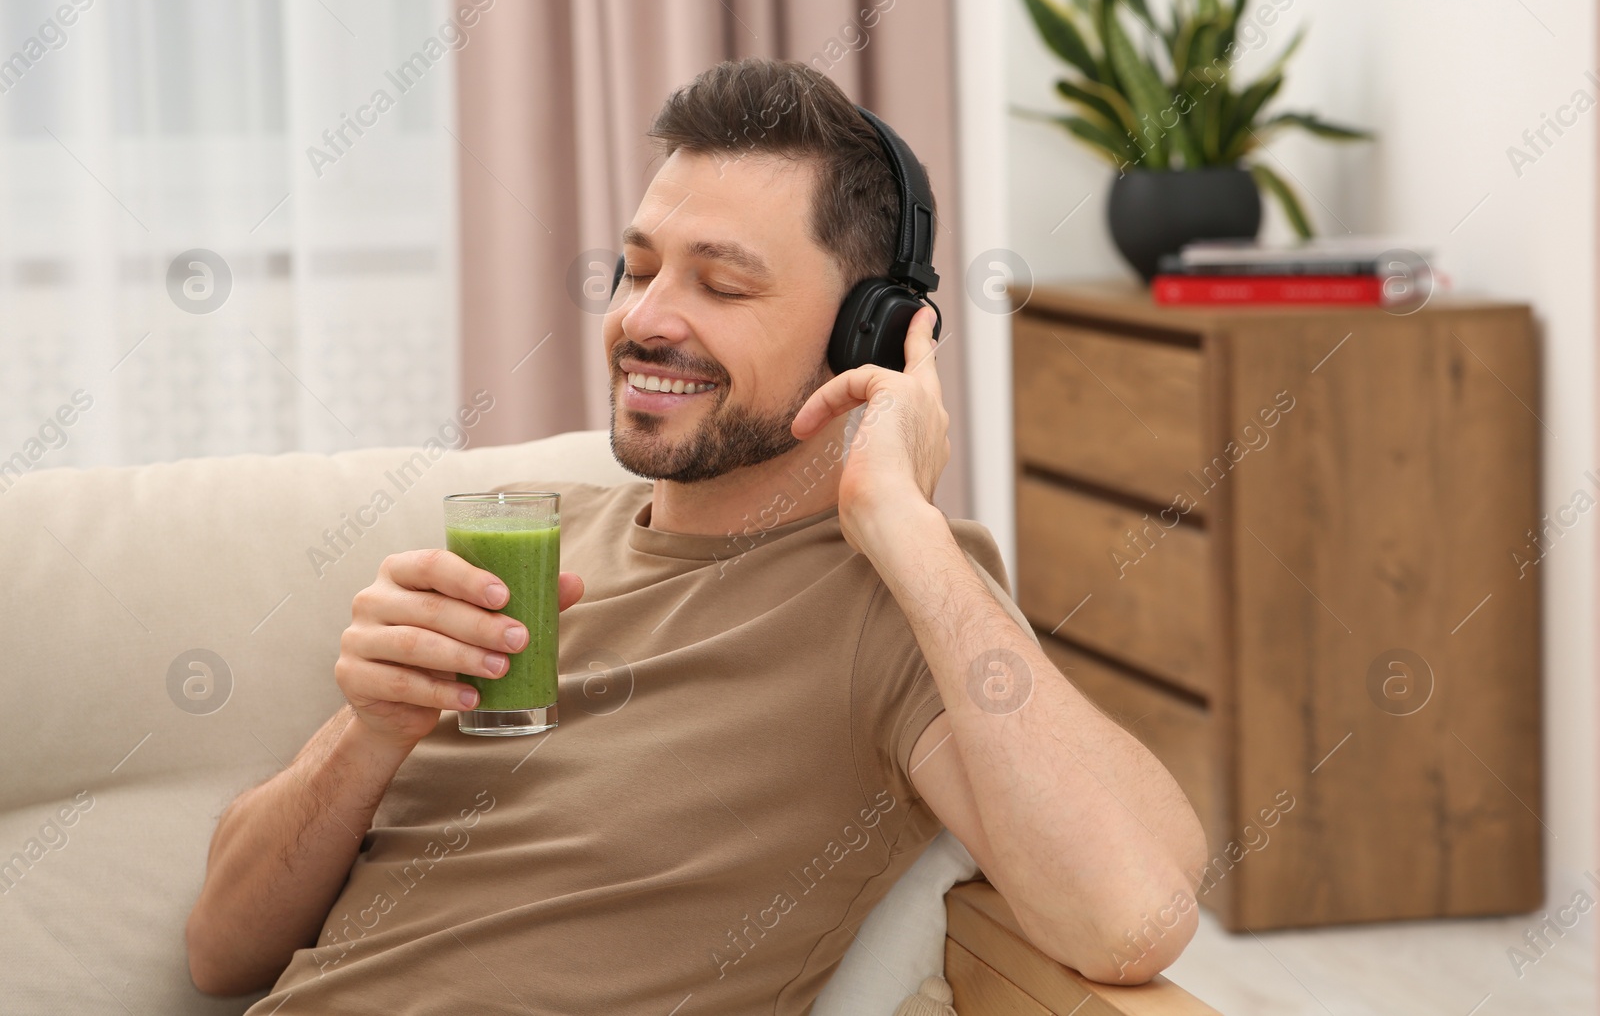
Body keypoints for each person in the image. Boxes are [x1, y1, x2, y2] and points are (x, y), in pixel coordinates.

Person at [184, 57, 1206, 1015]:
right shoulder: (524, 539)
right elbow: (219, 949)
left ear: (871, 330)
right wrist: (366, 729)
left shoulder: (886, 596)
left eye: (721, 284)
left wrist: (905, 518)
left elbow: (1133, 919)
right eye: (635, 270)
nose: (646, 319)